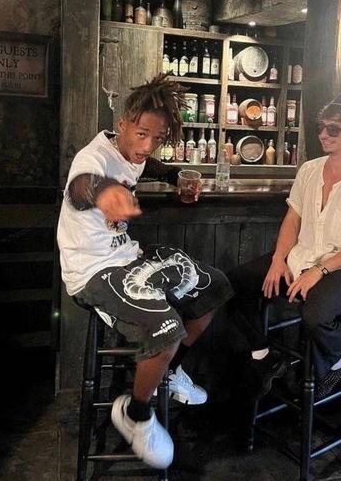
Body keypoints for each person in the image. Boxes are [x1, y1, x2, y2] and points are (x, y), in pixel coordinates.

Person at [57, 74, 233, 469]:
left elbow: (145, 163)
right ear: (121, 125)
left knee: (212, 287)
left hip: (127, 257)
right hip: (91, 271)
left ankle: (167, 372)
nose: (147, 145)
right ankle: (135, 414)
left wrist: (174, 175)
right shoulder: (93, 158)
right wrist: (104, 192)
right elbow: (80, 186)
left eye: (158, 137)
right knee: (166, 328)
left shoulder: (134, 152)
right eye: (141, 134)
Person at [228, 90, 341, 400]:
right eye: (321, 127)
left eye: (333, 129)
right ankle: (263, 354)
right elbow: (293, 219)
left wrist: (319, 270)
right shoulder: (309, 169)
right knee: (232, 283)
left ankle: (336, 362)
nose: (323, 135)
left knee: (314, 314)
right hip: (300, 257)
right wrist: (278, 259)